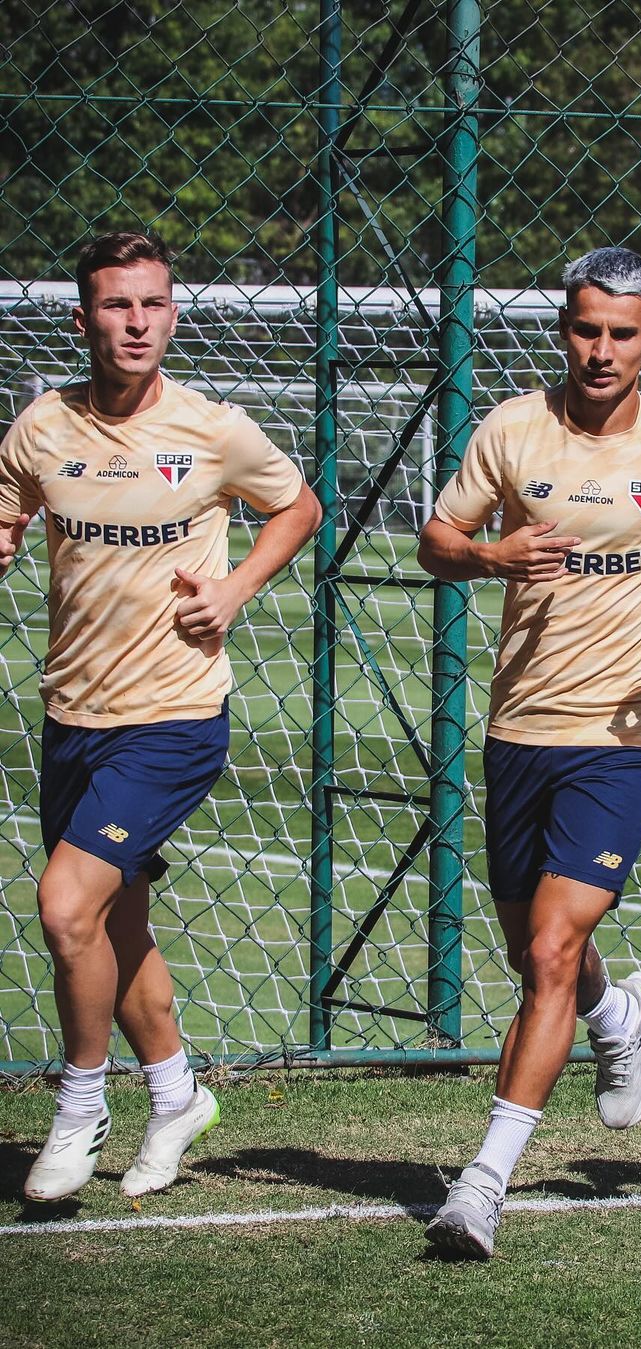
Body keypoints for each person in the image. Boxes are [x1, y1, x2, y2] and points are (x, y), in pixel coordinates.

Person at [417, 246, 641, 1259]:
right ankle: (619, 1019)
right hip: (520, 727)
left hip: (623, 731)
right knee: (534, 950)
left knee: (552, 949)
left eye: (622, 333)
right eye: (587, 329)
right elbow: (436, 538)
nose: (602, 350)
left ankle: (481, 1184)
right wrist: (489, 554)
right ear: (565, 331)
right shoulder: (513, 429)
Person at [0, 231, 321, 1203]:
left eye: (151, 304)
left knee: (65, 905)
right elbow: (9, 506)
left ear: (172, 315)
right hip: (74, 713)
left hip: (175, 719)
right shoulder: (41, 427)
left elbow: (298, 508)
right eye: (116, 305)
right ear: (82, 319)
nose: (135, 323)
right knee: (114, 918)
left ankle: (79, 1106)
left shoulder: (213, 429)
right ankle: (178, 1094)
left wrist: (234, 588)